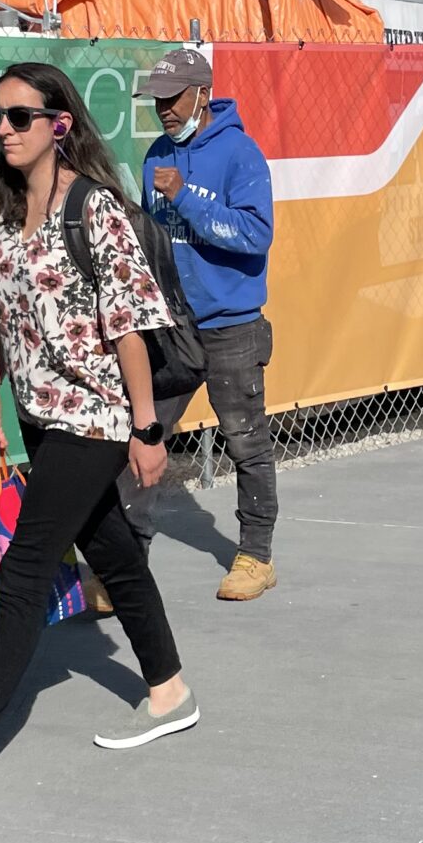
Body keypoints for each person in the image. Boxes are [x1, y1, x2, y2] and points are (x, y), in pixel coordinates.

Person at [0, 63, 196, 803]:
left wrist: (147, 430)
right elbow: (3, 307)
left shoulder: (95, 210)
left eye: (20, 117)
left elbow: (128, 327)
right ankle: (171, 691)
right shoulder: (0, 210)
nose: (5, 130)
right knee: (114, 554)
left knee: (25, 569)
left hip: (95, 418)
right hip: (35, 413)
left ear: (59, 124)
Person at [121, 46, 282, 600]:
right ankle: (122, 565)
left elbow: (256, 235)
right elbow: (154, 242)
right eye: (157, 101)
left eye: (173, 99)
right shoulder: (154, 157)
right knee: (144, 435)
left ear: (202, 95)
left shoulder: (240, 154)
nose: (163, 110)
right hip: (170, 327)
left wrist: (184, 196)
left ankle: (255, 556)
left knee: (245, 440)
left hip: (232, 324)